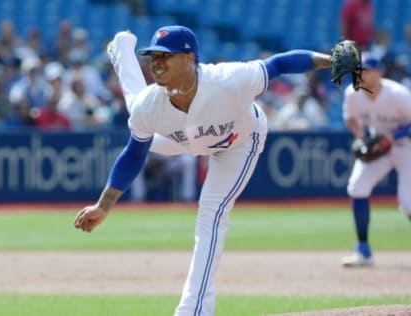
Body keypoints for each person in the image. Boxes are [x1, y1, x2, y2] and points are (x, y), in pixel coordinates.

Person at [74, 26, 337, 316]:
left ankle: (194, 310)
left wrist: (330, 60)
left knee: (211, 214)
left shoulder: (230, 79)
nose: (156, 63)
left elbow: (279, 64)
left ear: (189, 58)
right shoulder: (152, 103)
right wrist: (104, 205)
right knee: (138, 110)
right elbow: (134, 153)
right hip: (181, 137)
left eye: (165, 56)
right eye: (152, 57)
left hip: (239, 141)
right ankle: (122, 50)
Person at [340, 52, 411, 268]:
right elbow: (350, 118)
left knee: (408, 203)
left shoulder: (398, 94)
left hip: (405, 146)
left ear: (379, 72)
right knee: (357, 187)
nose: (361, 75)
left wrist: (394, 137)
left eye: (366, 70)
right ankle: (363, 251)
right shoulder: (352, 93)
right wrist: (362, 137)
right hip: (378, 145)